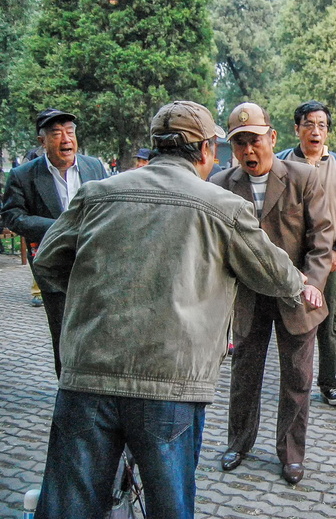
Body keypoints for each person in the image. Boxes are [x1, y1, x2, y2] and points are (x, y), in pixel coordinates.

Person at [31, 101, 310, 518]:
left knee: (69, 507)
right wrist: (300, 281)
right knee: (170, 507)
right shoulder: (223, 206)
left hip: (87, 375)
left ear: (155, 147)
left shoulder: (97, 193)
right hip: (171, 385)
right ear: (204, 151)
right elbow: (276, 276)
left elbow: (48, 262)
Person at [211, 102, 334, 483]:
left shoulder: (304, 177)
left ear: (273, 137)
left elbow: (322, 239)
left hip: (297, 297)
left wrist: (312, 285)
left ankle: (291, 454)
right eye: (240, 143)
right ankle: (238, 442)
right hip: (247, 296)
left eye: (256, 141)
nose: (249, 151)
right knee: (244, 374)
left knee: (297, 378)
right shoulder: (221, 184)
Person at [0, 108, 107, 377]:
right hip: (53, 267)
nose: (65, 139)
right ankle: (68, 388)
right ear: (42, 141)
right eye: (56, 134)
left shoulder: (93, 166)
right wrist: (60, 229)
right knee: (63, 332)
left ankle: (97, 387)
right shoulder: (23, 175)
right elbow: (12, 216)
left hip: (95, 263)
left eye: (69, 132)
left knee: (99, 328)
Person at [276, 100, 336, 405]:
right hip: (291, 263)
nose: (315, 131)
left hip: (331, 263)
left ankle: (329, 381)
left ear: (328, 131)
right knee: (292, 325)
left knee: (330, 326)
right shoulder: (281, 163)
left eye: (322, 125)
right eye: (309, 124)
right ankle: (293, 382)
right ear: (296, 128)